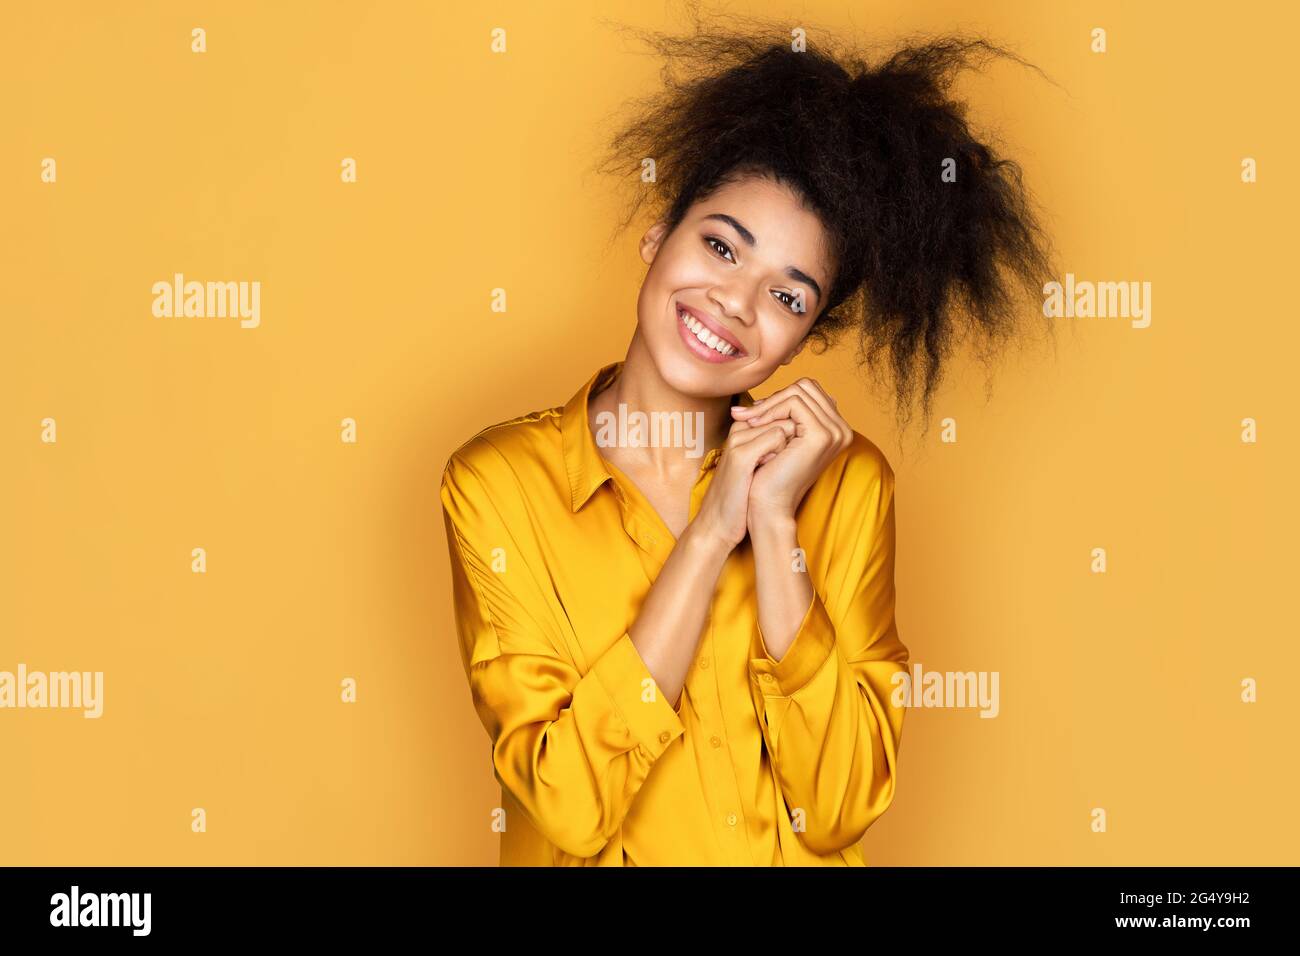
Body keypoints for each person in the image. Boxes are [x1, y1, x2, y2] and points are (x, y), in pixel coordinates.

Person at [439, 8, 1055, 866]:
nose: (735, 302)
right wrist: (710, 532)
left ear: (809, 337)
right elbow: (568, 808)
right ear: (659, 236)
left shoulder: (844, 483)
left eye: (789, 296)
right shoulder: (497, 483)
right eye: (722, 247)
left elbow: (838, 809)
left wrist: (772, 529)